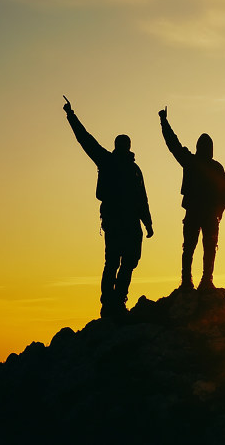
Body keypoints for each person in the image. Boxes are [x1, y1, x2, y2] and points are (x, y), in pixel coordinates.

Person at [63, 96, 154, 318]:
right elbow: (85, 139)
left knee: (129, 261)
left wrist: (148, 222)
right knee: (114, 260)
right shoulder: (108, 161)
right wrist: (71, 116)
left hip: (130, 222)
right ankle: (109, 303)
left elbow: (142, 198)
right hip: (115, 221)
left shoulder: (134, 169)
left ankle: (118, 299)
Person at [158, 106, 225, 291]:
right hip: (201, 213)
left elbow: (173, 145)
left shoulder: (195, 163)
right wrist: (164, 122)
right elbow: (173, 144)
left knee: (198, 248)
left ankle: (200, 280)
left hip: (203, 213)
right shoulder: (208, 165)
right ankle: (194, 280)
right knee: (199, 247)